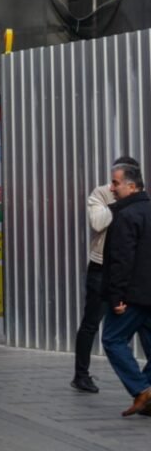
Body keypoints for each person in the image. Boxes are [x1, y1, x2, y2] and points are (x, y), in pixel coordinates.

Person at [73, 155, 140, 393]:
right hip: (101, 267)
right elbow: (98, 222)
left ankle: (143, 384)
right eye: (116, 180)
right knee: (91, 322)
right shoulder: (101, 193)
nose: (116, 185)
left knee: (141, 323)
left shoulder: (139, 198)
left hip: (130, 269)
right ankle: (80, 374)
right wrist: (118, 203)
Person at [100, 163, 151, 417]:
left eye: (116, 183)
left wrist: (116, 296)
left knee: (112, 339)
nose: (112, 188)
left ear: (132, 186)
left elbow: (122, 259)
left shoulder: (126, 215)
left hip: (132, 296)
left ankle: (143, 390)